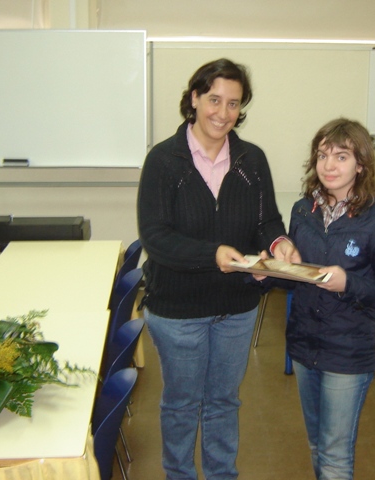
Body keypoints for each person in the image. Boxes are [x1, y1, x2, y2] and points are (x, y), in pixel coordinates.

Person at [137, 58, 300, 480]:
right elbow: (156, 237)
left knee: (224, 401)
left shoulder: (252, 160)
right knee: (182, 404)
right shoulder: (163, 161)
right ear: (194, 98)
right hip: (178, 311)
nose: (222, 113)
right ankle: (179, 474)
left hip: (236, 308)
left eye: (233, 103)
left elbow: (267, 221)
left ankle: (222, 474)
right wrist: (213, 254)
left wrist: (279, 243)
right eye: (214, 99)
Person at [284, 118, 375, 479]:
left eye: (341, 157)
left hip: (348, 352)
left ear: (361, 165)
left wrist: (348, 283)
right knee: (316, 445)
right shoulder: (303, 210)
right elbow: (295, 277)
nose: (329, 166)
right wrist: (266, 271)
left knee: (335, 456)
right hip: (304, 345)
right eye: (322, 156)